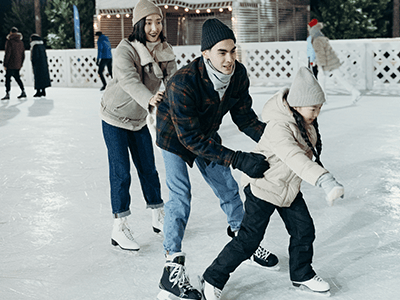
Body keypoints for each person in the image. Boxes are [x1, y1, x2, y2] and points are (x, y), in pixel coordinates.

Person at [156, 18, 278, 300]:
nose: (229, 59)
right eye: (222, 52)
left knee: (227, 188)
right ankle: (171, 264)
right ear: (206, 53)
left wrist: (277, 142)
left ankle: (242, 239)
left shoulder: (238, 75)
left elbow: (245, 118)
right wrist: (236, 158)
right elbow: (190, 140)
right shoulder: (183, 82)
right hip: (174, 136)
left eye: (233, 51)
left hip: (205, 133)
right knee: (179, 196)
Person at [201, 67, 345, 299]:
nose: (317, 113)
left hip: (287, 188)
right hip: (264, 187)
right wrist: (324, 180)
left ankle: (302, 273)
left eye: (320, 107)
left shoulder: (304, 122)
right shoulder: (280, 125)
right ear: (297, 105)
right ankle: (212, 278)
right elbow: (294, 157)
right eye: (313, 108)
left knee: (303, 230)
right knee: (249, 240)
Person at [100, 0, 177, 251]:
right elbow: (129, 80)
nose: (154, 27)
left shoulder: (165, 50)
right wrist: (150, 98)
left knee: (148, 169)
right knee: (121, 172)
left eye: (158, 21)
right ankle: (119, 228)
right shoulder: (126, 49)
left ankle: (158, 217)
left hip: (138, 120)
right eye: (149, 22)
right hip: (114, 116)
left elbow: (175, 82)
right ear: (139, 24)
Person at [308, 19, 361, 103]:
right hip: (332, 61)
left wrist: (321, 65)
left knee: (322, 78)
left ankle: (324, 97)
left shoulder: (317, 40)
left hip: (327, 63)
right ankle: (354, 92)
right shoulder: (321, 38)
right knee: (337, 78)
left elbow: (320, 54)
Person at [1, 27, 26, 100]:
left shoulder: (9, 42)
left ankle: (7, 93)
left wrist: (5, 64)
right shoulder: (21, 42)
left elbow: (8, 53)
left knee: (8, 78)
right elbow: (23, 54)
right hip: (18, 63)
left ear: (11, 32)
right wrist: (21, 63)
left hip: (10, 63)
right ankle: (23, 91)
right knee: (17, 78)